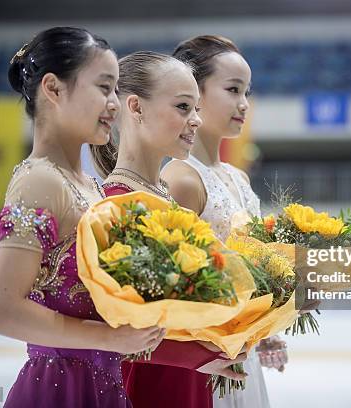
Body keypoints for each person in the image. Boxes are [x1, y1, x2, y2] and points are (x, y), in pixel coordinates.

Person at [0, 27, 165, 407]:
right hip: (58, 387)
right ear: (53, 88)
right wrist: (109, 339)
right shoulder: (39, 180)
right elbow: (0, 311)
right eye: (103, 87)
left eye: (115, 89)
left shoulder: (91, 186)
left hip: (103, 384)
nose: (114, 103)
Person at [90, 50, 247, 408]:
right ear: (135, 107)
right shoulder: (115, 205)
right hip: (150, 389)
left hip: (193, 383)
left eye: (196, 109)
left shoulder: (166, 198)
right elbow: (111, 332)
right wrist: (200, 354)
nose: (195, 121)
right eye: (182, 107)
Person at [162, 35, 288, 408]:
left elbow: (252, 271)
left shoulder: (238, 177)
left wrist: (262, 328)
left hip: (239, 355)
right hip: (204, 366)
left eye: (247, 91)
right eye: (233, 90)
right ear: (194, 93)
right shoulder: (180, 179)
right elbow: (169, 292)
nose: (244, 103)